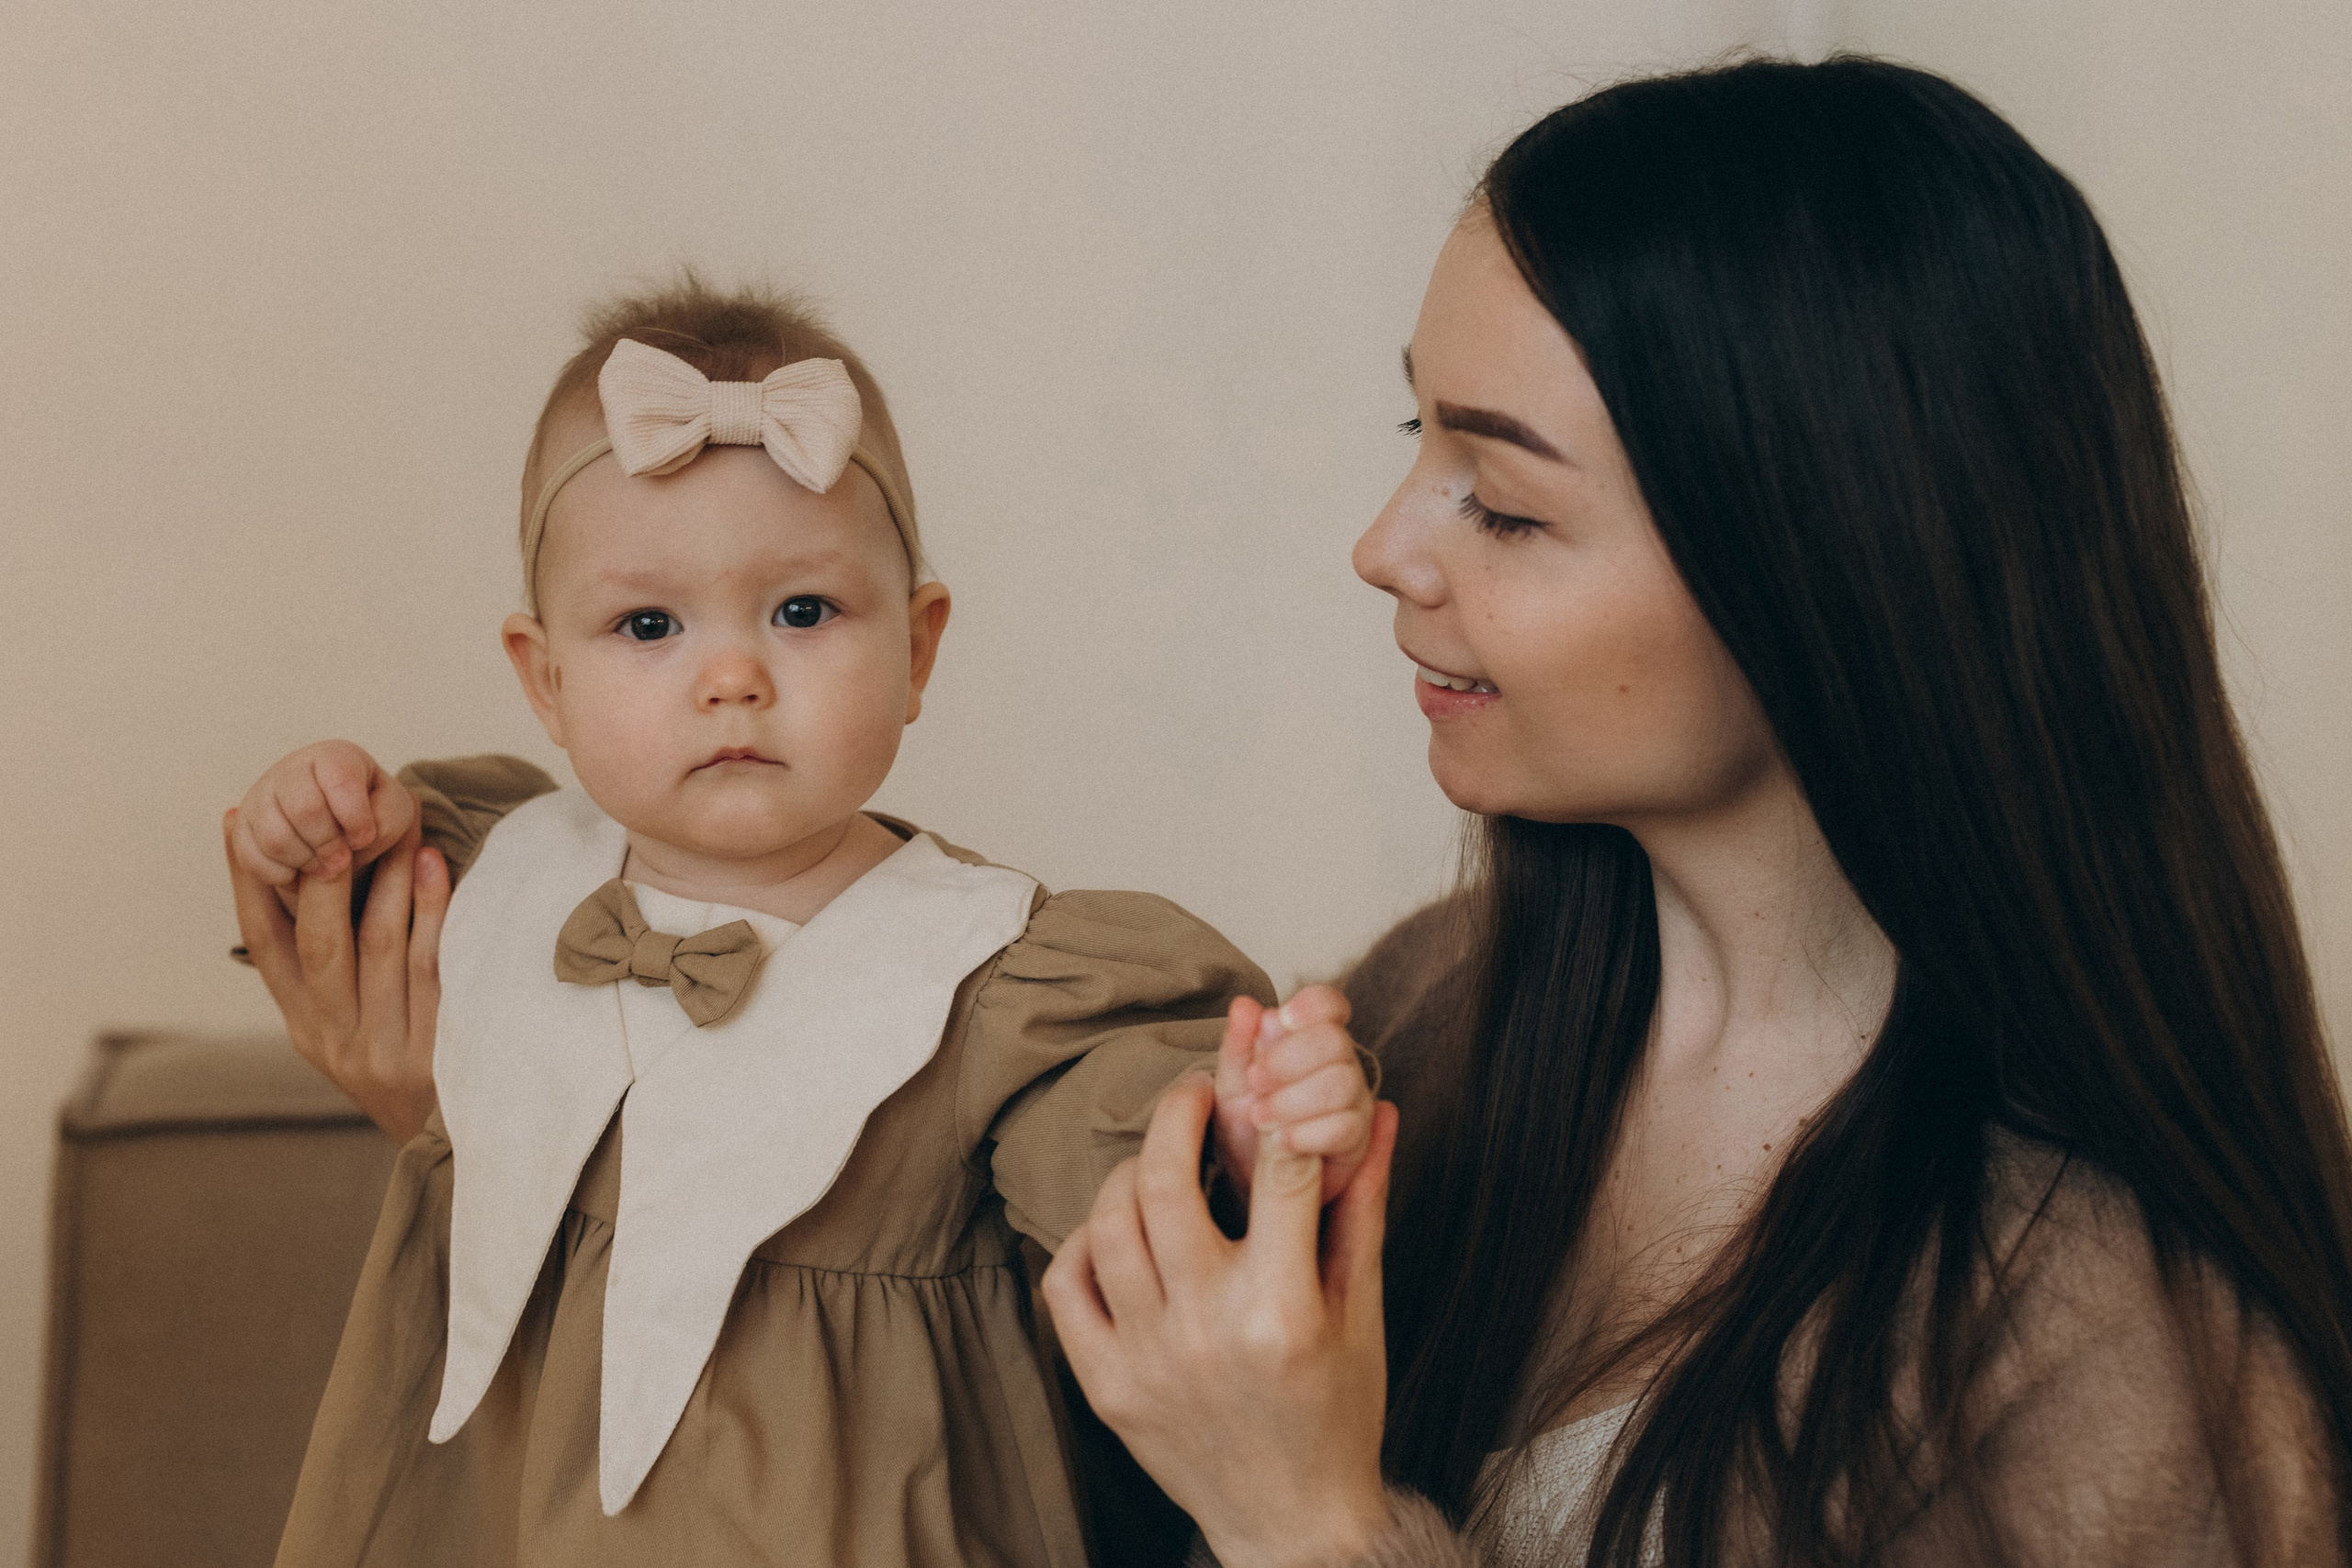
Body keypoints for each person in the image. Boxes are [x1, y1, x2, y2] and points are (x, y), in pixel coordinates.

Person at [1037, 56, 2352, 1566]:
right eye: (1420, 444)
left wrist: (1311, 1524)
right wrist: (1206, 1270)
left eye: (1511, 504)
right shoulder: (1435, 1004)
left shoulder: (2132, 1367)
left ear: (1833, 568)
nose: (1386, 548)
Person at [222, 277, 1375, 1567]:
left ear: (919, 649)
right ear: (544, 679)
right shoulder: (502, 869)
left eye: (803, 613)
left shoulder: (989, 973)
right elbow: (348, 888)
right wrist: (311, 814)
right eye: (648, 624)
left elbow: (1120, 1151)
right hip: (484, 1515)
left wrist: (1239, 1118)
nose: (732, 678)